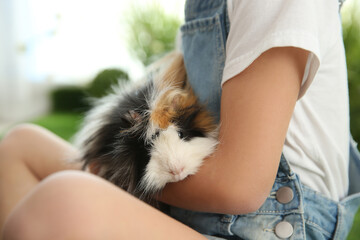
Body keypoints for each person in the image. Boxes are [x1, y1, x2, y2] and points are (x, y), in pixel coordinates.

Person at [1, 0, 360, 239]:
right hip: (196, 211)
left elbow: (241, 187)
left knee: (65, 198)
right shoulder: (205, 10)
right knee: (19, 146)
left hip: (267, 227)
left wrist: (119, 177)